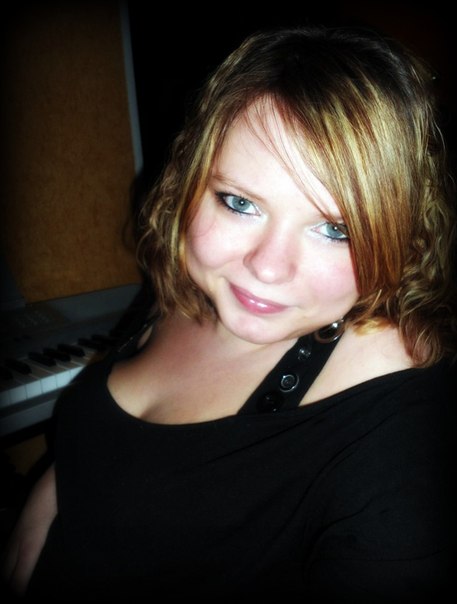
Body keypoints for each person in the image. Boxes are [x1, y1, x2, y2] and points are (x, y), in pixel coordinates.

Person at [2, 24, 456, 602]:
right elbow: (107, 445)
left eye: (334, 229)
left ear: (397, 230)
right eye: (239, 203)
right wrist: (50, 496)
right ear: (190, 182)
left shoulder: (400, 423)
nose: (266, 268)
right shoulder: (190, 287)